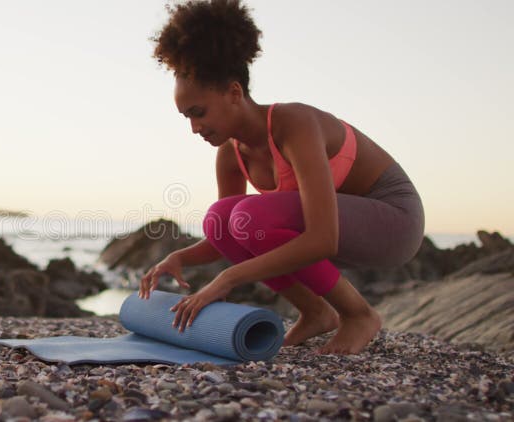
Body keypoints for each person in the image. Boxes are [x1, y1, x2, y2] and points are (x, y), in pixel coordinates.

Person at [138, 0, 424, 355]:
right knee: (220, 218)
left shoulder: (294, 124)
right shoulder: (230, 153)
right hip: (347, 228)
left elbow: (322, 239)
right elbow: (226, 238)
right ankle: (316, 311)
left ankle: (358, 315)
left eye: (199, 113)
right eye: (187, 118)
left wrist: (226, 280)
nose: (195, 128)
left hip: (393, 222)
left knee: (250, 214)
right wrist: (181, 257)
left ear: (234, 92)